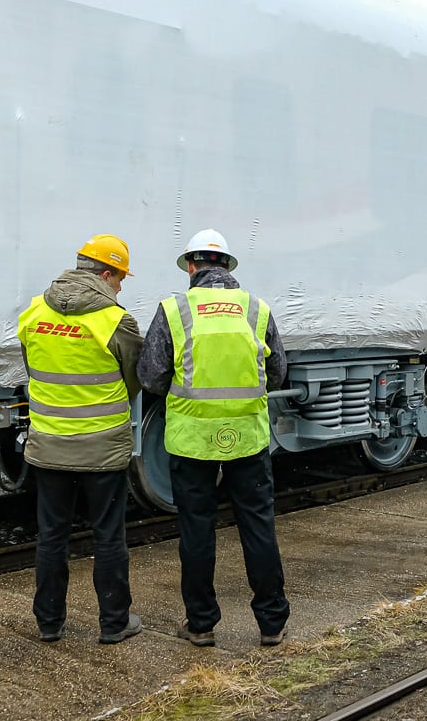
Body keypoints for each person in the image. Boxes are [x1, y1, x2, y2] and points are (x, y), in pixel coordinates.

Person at [138, 227, 291, 647]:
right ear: (226, 265)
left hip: (192, 440)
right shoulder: (255, 309)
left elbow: (150, 377)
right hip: (248, 435)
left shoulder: (175, 309)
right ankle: (271, 623)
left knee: (197, 530)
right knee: (258, 525)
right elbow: (278, 371)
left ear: (191, 266)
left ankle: (201, 623)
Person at [17, 234, 144, 645]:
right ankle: (113, 623)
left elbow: (32, 369)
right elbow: (134, 379)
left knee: (51, 535)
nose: (120, 287)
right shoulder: (115, 321)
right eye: (120, 279)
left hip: (49, 444)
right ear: (106, 274)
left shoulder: (33, 313)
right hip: (102, 449)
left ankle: (49, 623)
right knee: (109, 535)